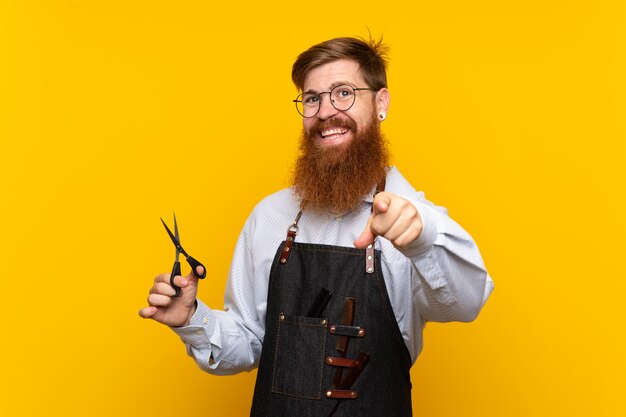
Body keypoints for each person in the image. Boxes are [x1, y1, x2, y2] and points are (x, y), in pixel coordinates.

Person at [139, 36, 493, 417]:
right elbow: (249, 342)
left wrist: (422, 239)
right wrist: (192, 318)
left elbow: (469, 301)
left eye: (343, 93)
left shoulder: (412, 218)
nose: (326, 111)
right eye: (312, 98)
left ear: (381, 103)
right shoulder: (270, 217)